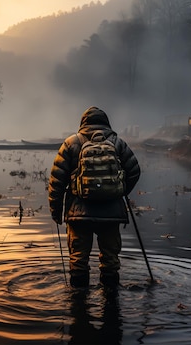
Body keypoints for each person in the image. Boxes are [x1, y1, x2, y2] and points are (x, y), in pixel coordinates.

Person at [48, 106, 141, 290]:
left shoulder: (70, 143)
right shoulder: (118, 143)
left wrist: (56, 211)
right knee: (110, 261)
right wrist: (119, 191)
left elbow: (56, 182)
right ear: (106, 123)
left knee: (78, 260)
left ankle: (78, 304)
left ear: (83, 123)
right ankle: (111, 304)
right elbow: (134, 171)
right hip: (111, 213)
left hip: (78, 215)